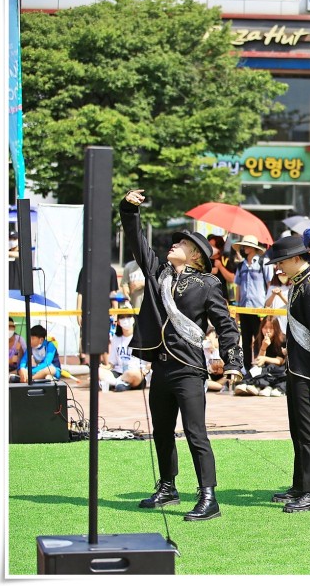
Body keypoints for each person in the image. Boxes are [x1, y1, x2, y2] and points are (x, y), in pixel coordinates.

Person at [120, 188, 243, 521]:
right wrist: (129, 211)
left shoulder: (207, 284)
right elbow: (137, 243)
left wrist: (234, 361)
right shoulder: (158, 275)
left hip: (189, 368)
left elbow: (226, 325)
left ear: (197, 258)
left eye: (183, 243)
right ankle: (167, 487)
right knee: (161, 430)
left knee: (195, 432)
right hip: (160, 368)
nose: (174, 244)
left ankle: (209, 497)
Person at [265, 235, 310, 513]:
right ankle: (301, 484)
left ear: (296, 259)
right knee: (298, 429)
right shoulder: (300, 284)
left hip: (308, 370)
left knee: (308, 430)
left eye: (281, 262)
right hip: (296, 366)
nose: (278, 267)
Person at [233, 234, 273, 379]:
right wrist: (237, 307)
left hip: (259, 308)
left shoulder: (263, 262)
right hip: (244, 307)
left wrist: (268, 305)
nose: (244, 248)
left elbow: (269, 285)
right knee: (245, 339)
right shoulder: (241, 265)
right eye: (243, 246)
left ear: (254, 248)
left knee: (258, 339)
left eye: (247, 246)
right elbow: (237, 287)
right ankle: (247, 370)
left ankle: (258, 368)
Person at [76, 264, 119, 365]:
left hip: (105, 311)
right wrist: (78, 313)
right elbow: (80, 293)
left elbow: (113, 293)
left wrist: (116, 313)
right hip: (88, 310)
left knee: (105, 338)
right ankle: (85, 361)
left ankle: (107, 364)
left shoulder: (111, 271)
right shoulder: (85, 270)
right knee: (85, 337)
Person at [235, 315, 286, 397]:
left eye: (271, 328)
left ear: (276, 328)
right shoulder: (258, 340)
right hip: (264, 368)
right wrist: (263, 347)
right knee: (255, 370)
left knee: (271, 368)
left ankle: (261, 386)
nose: (268, 331)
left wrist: (265, 358)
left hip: (277, 369)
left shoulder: (282, 339)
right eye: (265, 328)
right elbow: (259, 362)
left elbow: (280, 361)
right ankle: (249, 385)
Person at [101, 316, 148, 391]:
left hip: (136, 373)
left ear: (133, 319)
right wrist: (102, 368)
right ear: (118, 322)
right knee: (98, 371)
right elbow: (112, 364)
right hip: (118, 372)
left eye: (129, 316)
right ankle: (120, 383)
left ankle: (114, 383)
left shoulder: (141, 337)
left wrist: (145, 370)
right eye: (122, 317)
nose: (126, 320)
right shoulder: (116, 338)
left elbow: (148, 363)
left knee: (131, 373)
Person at [207, 234, 236, 304]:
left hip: (222, 298)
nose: (210, 248)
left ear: (219, 248)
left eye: (212, 246)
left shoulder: (224, 261)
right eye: (209, 245)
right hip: (206, 296)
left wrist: (220, 267)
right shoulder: (204, 260)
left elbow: (232, 278)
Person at [8, 317, 25, 383]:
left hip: (15, 371)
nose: (9, 329)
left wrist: (20, 350)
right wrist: (10, 360)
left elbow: (25, 358)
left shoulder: (20, 340)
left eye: (11, 326)